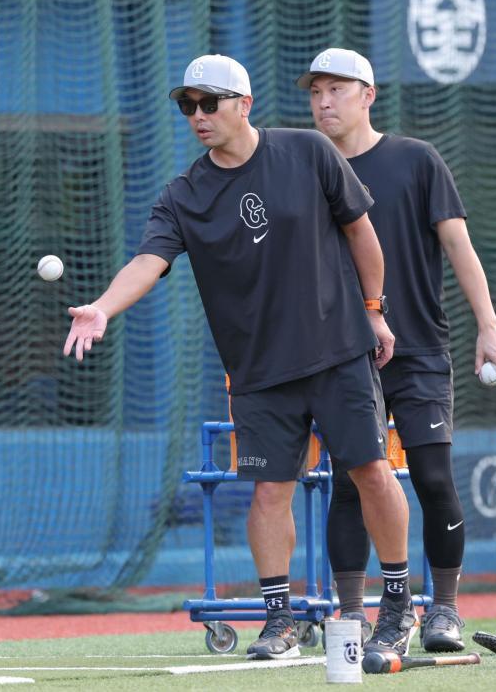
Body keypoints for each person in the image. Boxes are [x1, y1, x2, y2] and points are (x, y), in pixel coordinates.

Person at [63, 54, 413, 660]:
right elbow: (149, 261)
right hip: (256, 369)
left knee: (371, 472)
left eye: (209, 104)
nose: (197, 117)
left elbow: (361, 232)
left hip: (338, 352)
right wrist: (102, 308)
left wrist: (375, 309)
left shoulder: (308, 152)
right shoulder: (184, 194)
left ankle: (399, 607)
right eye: (187, 106)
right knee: (269, 492)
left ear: (244, 104)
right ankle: (278, 620)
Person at [298, 48, 496, 653]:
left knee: (434, 478)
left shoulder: (416, 160)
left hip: (417, 350)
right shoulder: (305, 168)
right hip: (340, 356)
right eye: (315, 91)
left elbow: (460, 248)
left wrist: (489, 328)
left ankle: (441, 610)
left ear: (367, 95)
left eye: (336, 89)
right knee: (349, 482)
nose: (323, 102)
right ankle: (350, 617)